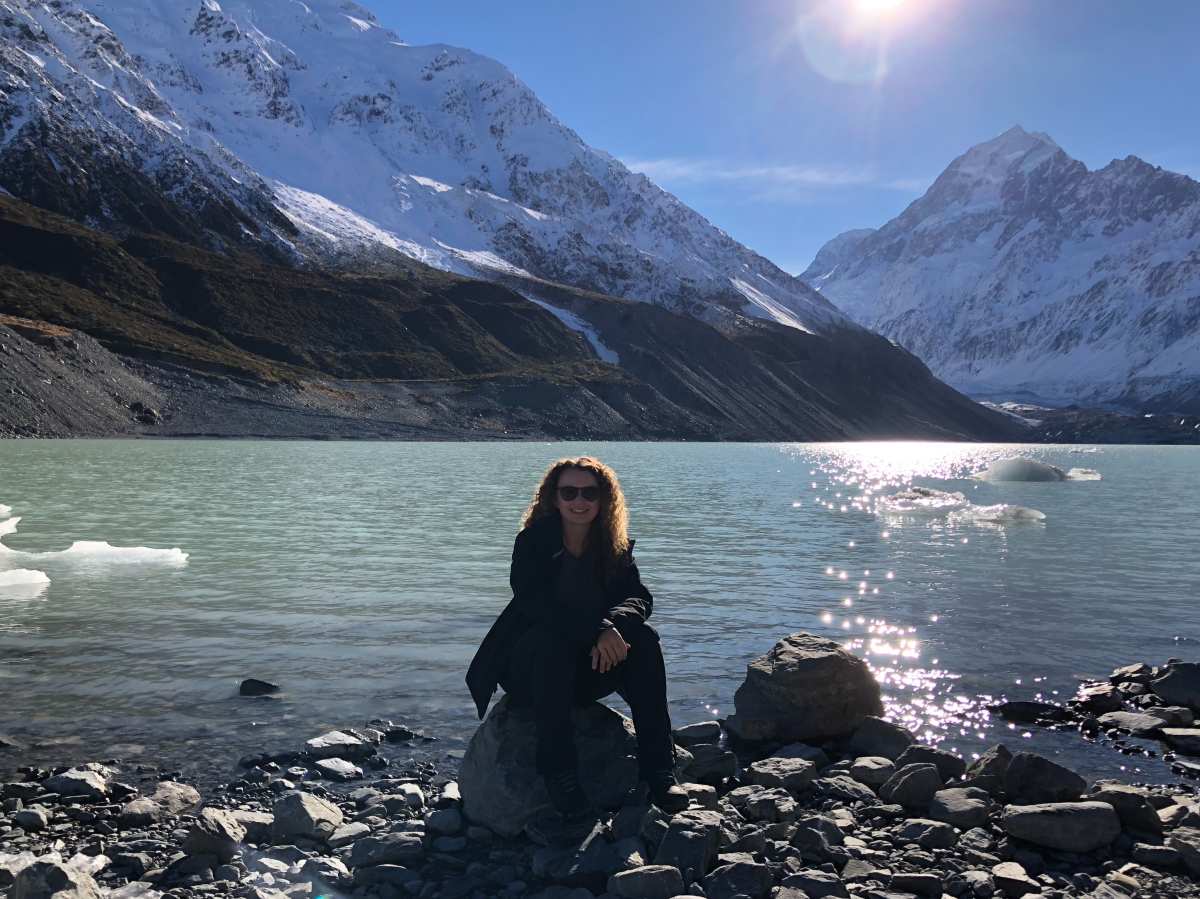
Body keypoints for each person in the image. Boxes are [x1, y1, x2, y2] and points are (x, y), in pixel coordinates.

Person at [466, 456, 689, 820]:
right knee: (552, 643)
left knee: (644, 641)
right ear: (554, 498)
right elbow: (534, 603)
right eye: (569, 492)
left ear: (604, 499)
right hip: (534, 673)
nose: (579, 501)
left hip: (586, 669)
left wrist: (614, 625)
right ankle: (560, 774)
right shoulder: (532, 543)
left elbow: (639, 598)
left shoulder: (612, 546)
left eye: (590, 492)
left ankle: (660, 771)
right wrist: (600, 630)